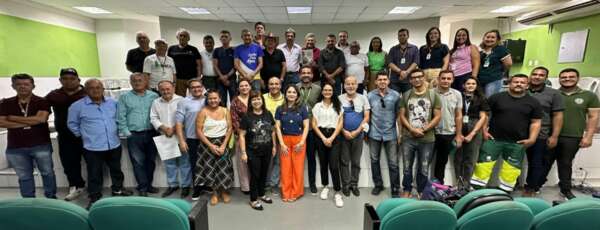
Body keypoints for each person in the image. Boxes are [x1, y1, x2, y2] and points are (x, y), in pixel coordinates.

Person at [471, 74, 542, 192]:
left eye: (522, 82)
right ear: (509, 83)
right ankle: (476, 191)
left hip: (517, 143)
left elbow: (536, 122)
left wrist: (532, 139)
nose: (519, 84)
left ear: (527, 85)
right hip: (493, 140)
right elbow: (485, 115)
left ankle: (505, 193)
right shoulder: (496, 98)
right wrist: (484, 130)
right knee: (483, 166)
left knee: (511, 170)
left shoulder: (533, 102)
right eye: (516, 82)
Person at [68, 79, 132, 209]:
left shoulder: (113, 103)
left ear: (103, 89)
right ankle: (94, 196)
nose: (95, 90)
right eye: (91, 88)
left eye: (98, 87)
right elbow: (72, 124)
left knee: (116, 170)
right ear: (86, 90)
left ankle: (117, 190)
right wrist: (83, 135)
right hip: (92, 147)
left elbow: (120, 118)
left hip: (113, 144)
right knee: (94, 173)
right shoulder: (77, 106)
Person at [541, 68, 599, 199]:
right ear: (559, 79)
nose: (567, 79)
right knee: (544, 161)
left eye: (571, 77)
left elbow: (593, 117)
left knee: (565, 163)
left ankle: (565, 189)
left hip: (572, 136)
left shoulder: (589, 96)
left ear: (578, 78)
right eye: (564, 77)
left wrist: (588, 136)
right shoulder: (553, 94)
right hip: (549, 134)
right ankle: (536, 185)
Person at [0, 73, 57, 199]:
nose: (22, 87)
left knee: (47, 173)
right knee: (24, 176)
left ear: (33, 86)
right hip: (16, 147)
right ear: (13, 86)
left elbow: (41, 119)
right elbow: (1, 122)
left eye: (26, 84)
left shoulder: (42, 101)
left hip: (40, 145)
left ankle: (51, 197)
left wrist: (13, 119)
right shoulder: (6, 103)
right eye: (18, 84)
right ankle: (28, 201)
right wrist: (30, 121)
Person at [398, 70, 441, 198]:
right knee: (407, 167)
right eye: (413, 78)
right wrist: (411, 129)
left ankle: (421, 190)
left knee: (423, 168)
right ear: (410, 80)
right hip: (408, 138)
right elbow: (402, 115)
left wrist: (424, 129)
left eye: (419, 77)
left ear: (424, 78)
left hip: (427, 138)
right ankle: (407, 189)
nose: (416, 80)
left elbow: (438, 116)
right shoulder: (405, 95)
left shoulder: (433, 95)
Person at [45, 68, 87, 201]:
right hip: (65, 136)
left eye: (72, 78)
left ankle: (94, 188)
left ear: (78, 80)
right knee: (69, 163)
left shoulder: (87, 93)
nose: (69, 81)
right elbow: (40, 108)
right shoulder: (54, 95)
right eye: (65, 79)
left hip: (87, 135)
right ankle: (76, 186)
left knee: (93, 163)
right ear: (60, 80)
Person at [523, 67, 564, 197]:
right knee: (513, 161)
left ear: (546, 78)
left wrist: (554, 136)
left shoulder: (554, 94)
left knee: (536, 162)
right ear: (530, 76)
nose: (537, 77)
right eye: (534, 74)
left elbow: (558, 115)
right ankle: (510, 185)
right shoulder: (521, 90)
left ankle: (531, 188)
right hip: (519, 132)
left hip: (541, 133)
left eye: (541, 75)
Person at [117, 73, 160, 196]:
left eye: (140, 80)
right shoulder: (124, 97)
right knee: (138, 162)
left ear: (145, 81)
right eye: (134, 81)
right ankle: (142, 188)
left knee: (151, 161)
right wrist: (127, 133)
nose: (137, 82)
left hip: (152, 133)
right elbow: (121, 116)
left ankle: (149, 185)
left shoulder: (154, 96)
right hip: (134, 135)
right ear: (130, 83)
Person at [150, 80, 191, 198]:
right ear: (159, 90)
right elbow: (153, 118)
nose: (165, 91)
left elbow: (186, 117)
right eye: (162, 89)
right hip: (165, 136)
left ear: (173, 88)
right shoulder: (155, 102)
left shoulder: (182, 100)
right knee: (170, 163)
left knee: (184, 163)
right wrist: (163, 128)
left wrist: (174, 128)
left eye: (168, 89)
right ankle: (173, 185)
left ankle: (186, 186)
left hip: (181, 136)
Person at [195, 90, 234, 205]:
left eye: (215, 98)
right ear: (207, 99)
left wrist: (223, 145)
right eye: (210, 98)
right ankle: (214, 194)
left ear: (219, 99)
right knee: (209, 169)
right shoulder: (203, 112)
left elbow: (230, 128)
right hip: (207, 144)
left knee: (223, 169)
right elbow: (198, 130)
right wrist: (211, 146)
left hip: (222, 142)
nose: (213, 100)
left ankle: (224, 192)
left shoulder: (225, 111)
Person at [239, 91, 276, 210]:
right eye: (253, 99)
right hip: (252, 151)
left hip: (267, 149)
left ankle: (262, 194)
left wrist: (274, 146)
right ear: (250, 102)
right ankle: (253, 199)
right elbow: (241, 135)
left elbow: (273, 131)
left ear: (262, 100)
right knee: (255, 175)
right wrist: (244, 152)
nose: (256, 101)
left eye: (258, 99)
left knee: (264, 173)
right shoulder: (247, 116)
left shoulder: (268, 114)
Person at [367, 71, 401, 197]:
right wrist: (366, 132)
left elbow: (399, 116)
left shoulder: (396, 95)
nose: (382, 81)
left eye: (384, 79)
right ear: (376, 81)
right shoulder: (370, 96)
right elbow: (367, 116)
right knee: (374, 160)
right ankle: (378, 185)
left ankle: (395, 188)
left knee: (393, 163)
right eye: (380, 79)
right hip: (374, 133)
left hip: (390, 134)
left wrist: (400, 134)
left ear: (388, 81)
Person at [312, 82, 344, 207]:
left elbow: (340, 123)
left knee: (334, 165)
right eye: (325, 90)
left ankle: (337, 192)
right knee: (323, 163)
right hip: (320, 136)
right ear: (322, 92)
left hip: (334, 136)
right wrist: (323, 138)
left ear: (333, 92)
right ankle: (325, 186)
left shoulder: (338, 105)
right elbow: (314, 124)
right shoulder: (317, 106)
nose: (327, 92)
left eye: (329, 90)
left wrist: (331, 138)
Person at [275, 85, 309, 202]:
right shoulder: (280, 109)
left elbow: (306, 126)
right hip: (284, 140)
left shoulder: (302, 108)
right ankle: (286, 193)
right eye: (289, 92)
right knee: (285, 168)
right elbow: (277, 128)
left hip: (298, 140)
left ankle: (296, 192)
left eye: (294, 92)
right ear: (285, 94)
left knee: (298, 168)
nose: (291, 94)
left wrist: (302, 142)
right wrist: (281, 144)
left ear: (297, 95)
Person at [454, 77, 489, 190]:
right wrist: (458, 133)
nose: (471, 85)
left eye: (473, 83)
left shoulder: (481, 98)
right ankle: (458, 183)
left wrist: (472, 134)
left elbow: (483, 117)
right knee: (458, 158)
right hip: (458, 125)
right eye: (468, 83)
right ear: (464, 85)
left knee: (471, 158)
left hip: (474, 125)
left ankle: (467, 184)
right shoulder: (458, 96)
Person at [339, 76, 370, 197]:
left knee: (356, 162)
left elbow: (367, 117)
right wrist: (343, 131)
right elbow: (336, 117)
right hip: (343, 135)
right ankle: (346, 185)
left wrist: (357, 131)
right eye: (348, 84)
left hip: (358, 135)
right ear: (344, 85)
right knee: (344, 161)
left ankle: (354, 184)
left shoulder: (363, 98)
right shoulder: (339, 98)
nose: (350, 86)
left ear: (357, 85)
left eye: (353, 84)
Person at [175, 79, 206, 200]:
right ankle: (197, 188)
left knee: (208, 163)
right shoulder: (183, 102)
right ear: (189, 89)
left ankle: (207, 185)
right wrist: (182, 141)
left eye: (199, 87)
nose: (196, 89)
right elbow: (178, 123)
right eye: (193, 87)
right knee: (195, 165)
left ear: (202, 87)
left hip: (209, 138)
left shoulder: (208, 99)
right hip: (193, 138)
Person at [432, 70, 463, 184]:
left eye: (448, 78)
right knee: (425, 162)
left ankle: (438, 187)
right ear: (438, 79)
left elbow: (459, 116)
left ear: (452, 80)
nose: (445, 81)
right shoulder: (431, 93)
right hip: (431, 133)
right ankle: (423, 188)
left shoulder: (457, 94)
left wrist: (459, 135)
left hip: (448, 134)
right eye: (443, 78)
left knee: (441, 162)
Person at [296, 66, 322, 194]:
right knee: (296, 159)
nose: (306, 75)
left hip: (312, 128)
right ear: (300, 75)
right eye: (303, 73)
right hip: (297, 129)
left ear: (312, 75)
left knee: (311, 158)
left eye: (308, 73)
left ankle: (312, 184)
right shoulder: (294, 88)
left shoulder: (318, 89)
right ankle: (296, 184)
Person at [263, 77, 285, 194]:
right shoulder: (263, 98)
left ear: (280, 85)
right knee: (267, 159)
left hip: (282, 134)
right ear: (268, 85)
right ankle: (265, 183)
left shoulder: (285, 99)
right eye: (271, 84)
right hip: (265, 134)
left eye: (276, 84)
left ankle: (273, 183)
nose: (274, 86)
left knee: (278, 161)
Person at [231, 79, 252, 194]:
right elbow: (234, 119)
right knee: (242, 162)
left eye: (246, 85)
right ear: (238, 88)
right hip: (240, 136)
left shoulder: (254, 98)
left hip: (255, 136)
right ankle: (246, 187)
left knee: (254, 162)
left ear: (250, 87)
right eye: (241, 86)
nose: (244, 87)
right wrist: (242, 134)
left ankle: (255, 185)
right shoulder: (235, 101)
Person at [168, 28, 202, 96]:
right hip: (178, 78)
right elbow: (168, 64)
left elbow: (199, 64)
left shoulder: (193, 49)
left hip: (192, 78)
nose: (182, 37)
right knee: (179, 97)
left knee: (194, 97)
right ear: (177, 37)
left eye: (185, 36)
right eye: (181, 35)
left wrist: (198, 77)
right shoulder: (171, 49)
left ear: (188, 38)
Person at [479, 30, 512, 97]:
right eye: (487, 37)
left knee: (490, 100)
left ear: (497, 39)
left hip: (493, 80)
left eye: (492, 37)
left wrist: (500, 72)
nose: (489, 39)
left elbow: (508, 64)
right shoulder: (481, 50)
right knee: (481, 101)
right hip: (480, 80)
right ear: (484, 38)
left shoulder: (501, 49)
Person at [388, 28, 420, 94]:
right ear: (398, 37)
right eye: (400, 35)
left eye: (404, 35)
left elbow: (416, 62)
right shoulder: (393, 49)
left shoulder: (414, 48)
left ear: (408, 36)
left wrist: (406, 72)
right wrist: (400, 72)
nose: (402, 37)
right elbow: (390, 63)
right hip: (395, 81)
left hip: (409, 80)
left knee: (407, 98)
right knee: (395, 99)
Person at [213, 30, 237, 105]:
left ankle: (234, 116)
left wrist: (226, 76)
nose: (224, 38)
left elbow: (236, 66)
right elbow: (215, 65)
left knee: (234, 101)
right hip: (220, 79)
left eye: (226, 37)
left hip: (232, 79)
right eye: (222, 37)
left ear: (230, 38)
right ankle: (223, 116)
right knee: (221, 101)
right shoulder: (216, 50)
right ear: (220, 39)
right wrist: (222, 77)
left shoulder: (234, 50)